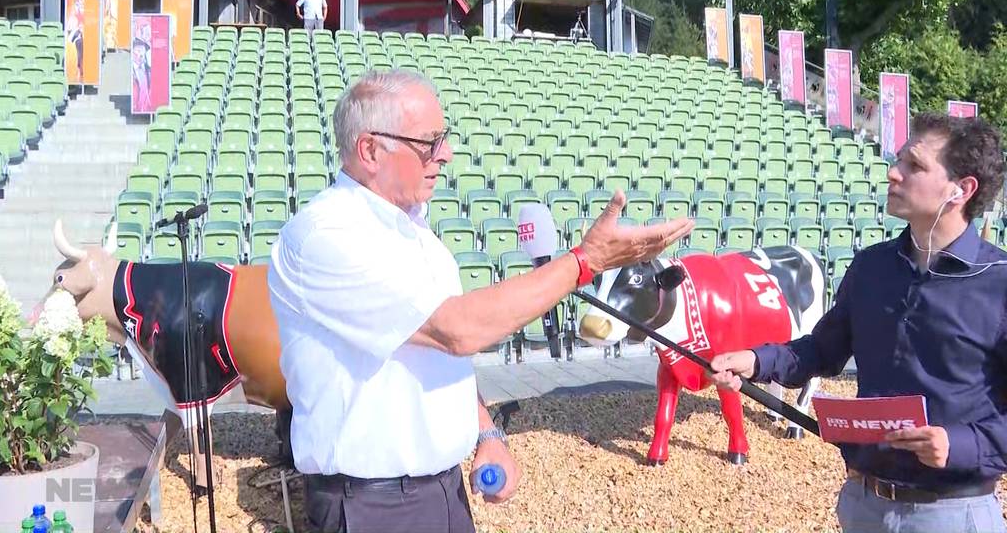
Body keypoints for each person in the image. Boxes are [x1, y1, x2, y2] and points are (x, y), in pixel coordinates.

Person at [267, 69, 694, 533]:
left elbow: (433, 355)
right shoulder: (326, 236)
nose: (445, 154)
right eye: (429, 141)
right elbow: (456, 331)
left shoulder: (414, 230)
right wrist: (583, 263)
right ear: (370, 149)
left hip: (442, 492)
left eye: (443, 139)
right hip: (371, 507)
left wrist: (487, 431)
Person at [710, 112, 1007, 533]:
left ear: (962, 189)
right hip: (861, 506)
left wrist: (960, 444)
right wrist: (756, 361)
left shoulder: (1000, 285)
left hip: (954, 515)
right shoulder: (872, 267)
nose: (893, 173)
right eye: (899, 159)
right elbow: (821, 350)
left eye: (914, 166)